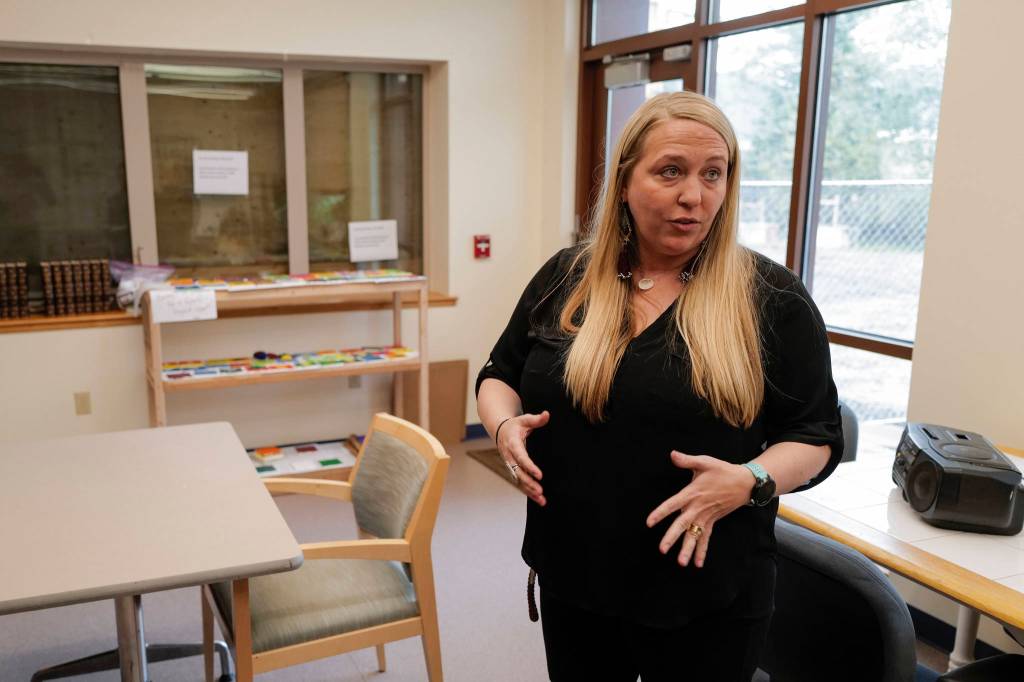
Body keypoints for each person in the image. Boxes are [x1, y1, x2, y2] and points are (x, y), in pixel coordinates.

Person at [475, 91, 844, 682]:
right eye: (671, 171)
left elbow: (816, 435)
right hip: (576, 572)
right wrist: (502, 427)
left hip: (704, 590)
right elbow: (499, 373)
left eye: (712, 174)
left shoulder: (771, 299)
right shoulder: (567, 277)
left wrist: (749, 479)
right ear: (625, 182)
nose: (694, 195)